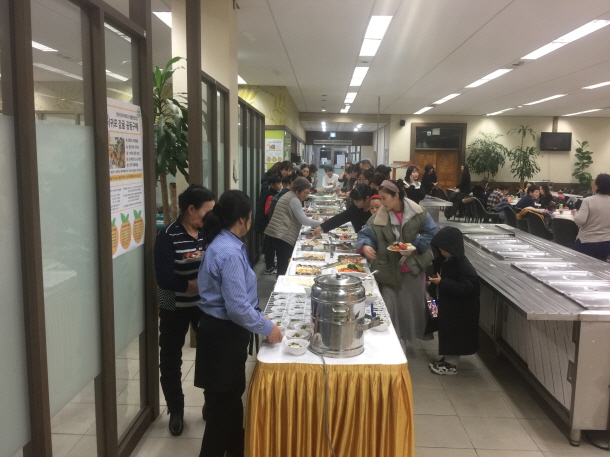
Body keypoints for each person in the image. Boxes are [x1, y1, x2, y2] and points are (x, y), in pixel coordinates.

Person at [195, 190, 282, 457]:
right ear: (243, 219)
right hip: (223, 336)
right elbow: (237, 309)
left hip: (216, 332)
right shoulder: (230, 251)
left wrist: (259, 317)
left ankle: (237, 449)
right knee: (222, 410)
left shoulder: (223, 241)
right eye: (250, 217)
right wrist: (268, 328)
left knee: (230, 400)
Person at [154, 185, 215, 436]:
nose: (210, 216)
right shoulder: (167, 236)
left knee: (210, 353)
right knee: (170, 358)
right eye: (206, 211)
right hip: (172, 302)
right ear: (191, 209)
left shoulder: (207, 232)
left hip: (203, 303)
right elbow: (164, 278)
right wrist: (194, 285)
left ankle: (210, 403)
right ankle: (176, 409)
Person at [356, 179, 437, 350]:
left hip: (412, 269)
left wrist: (416, 246)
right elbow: (365, 234)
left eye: (384, 198)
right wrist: (366, 245)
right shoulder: (379, 217)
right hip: (388, 270)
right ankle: (395, 342)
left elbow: (430, 231)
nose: (382, 202)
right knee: (389, 308)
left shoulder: (417, 212)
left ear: (396, 196)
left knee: (410, 309)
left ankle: (407, 338)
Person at [427, 226, 480, 375]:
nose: (442, 252)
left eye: (445, 250)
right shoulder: (444, 261)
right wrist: (432, 296)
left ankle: (451, 365)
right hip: (445, 307)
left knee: (453, 337)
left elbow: (467, 288)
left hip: (458, 311)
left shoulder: (463, 266)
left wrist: (442, 282)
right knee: (443, 331)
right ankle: (446, 359)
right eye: (440, 249)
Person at [265, 177, 321, 275]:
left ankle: (280, 278)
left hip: (279, 233)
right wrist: (322, 223)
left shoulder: (289, 195)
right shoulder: (293, 199)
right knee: (284, 265)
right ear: (298, 190)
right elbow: (303, 220)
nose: (306, 196)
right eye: (305, 193)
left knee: (282, 263)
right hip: (282, 235)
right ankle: (281, 282)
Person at [313, 184, 377, 235]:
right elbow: (340, 218)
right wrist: (321, 227)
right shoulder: (355, 208)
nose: (355, 203)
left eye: (358, 200)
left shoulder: (374, 212)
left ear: (367, 198)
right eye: (354, 200)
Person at [573, 173, 610, 261]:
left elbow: (580, 220)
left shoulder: (588, 201)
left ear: (597, 186)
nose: (592, 183)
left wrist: (575, 215)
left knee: (581, 266)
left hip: (586, 241)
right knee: (599, 266)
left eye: (594, 181)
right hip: (606, 242)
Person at [256, 175, 282, 275]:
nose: (280, 185)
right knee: (270, 246)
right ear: (272, 185)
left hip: (268, 223)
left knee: (269, 245)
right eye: (278, 184)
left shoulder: (272, 194)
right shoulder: (270, 196)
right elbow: (267, 211)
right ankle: (269, 267)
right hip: (268, 224)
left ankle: (270, 265)